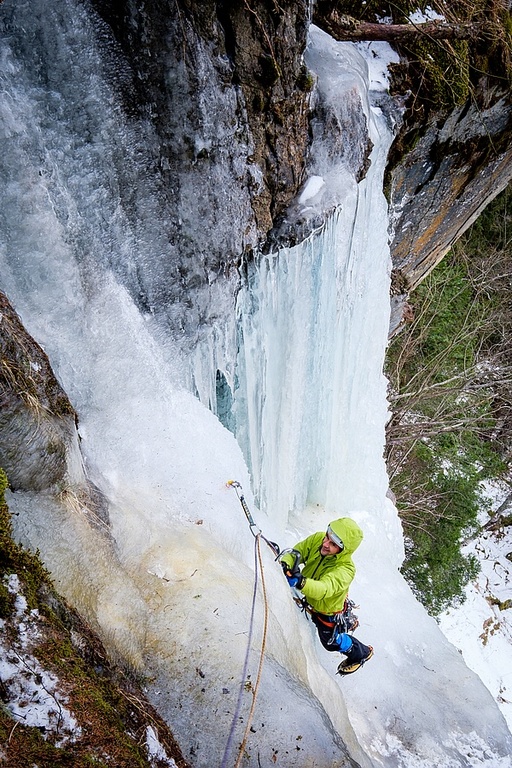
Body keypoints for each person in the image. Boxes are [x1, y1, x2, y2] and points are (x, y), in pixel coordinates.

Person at [280, 517, 373, 675]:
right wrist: (286, 564)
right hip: (310, 598)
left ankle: (361, 653)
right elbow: (298, 552)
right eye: (327, 537)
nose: (325, 544)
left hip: (327, 611)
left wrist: (301, 582)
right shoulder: (318, 539)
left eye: (333, 544)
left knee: (331, 643)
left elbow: (324, 589)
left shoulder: (346, 570)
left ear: (344, 550)